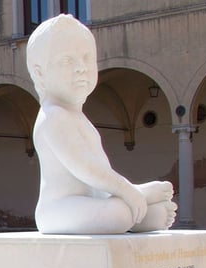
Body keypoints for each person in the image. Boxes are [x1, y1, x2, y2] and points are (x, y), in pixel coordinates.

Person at [27, 15, 177, 234]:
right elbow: (85, 168)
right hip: (58, 209)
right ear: (39, 74)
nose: (81, 68)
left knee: (146, 212)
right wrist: (126, 190)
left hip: (93, 201)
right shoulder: (53, 117)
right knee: (119, 214)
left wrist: (125, 192)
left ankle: (134, 204)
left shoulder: (80, 120)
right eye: (67, 61)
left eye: (87, 58)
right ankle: (134, 200)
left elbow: (101, 172)